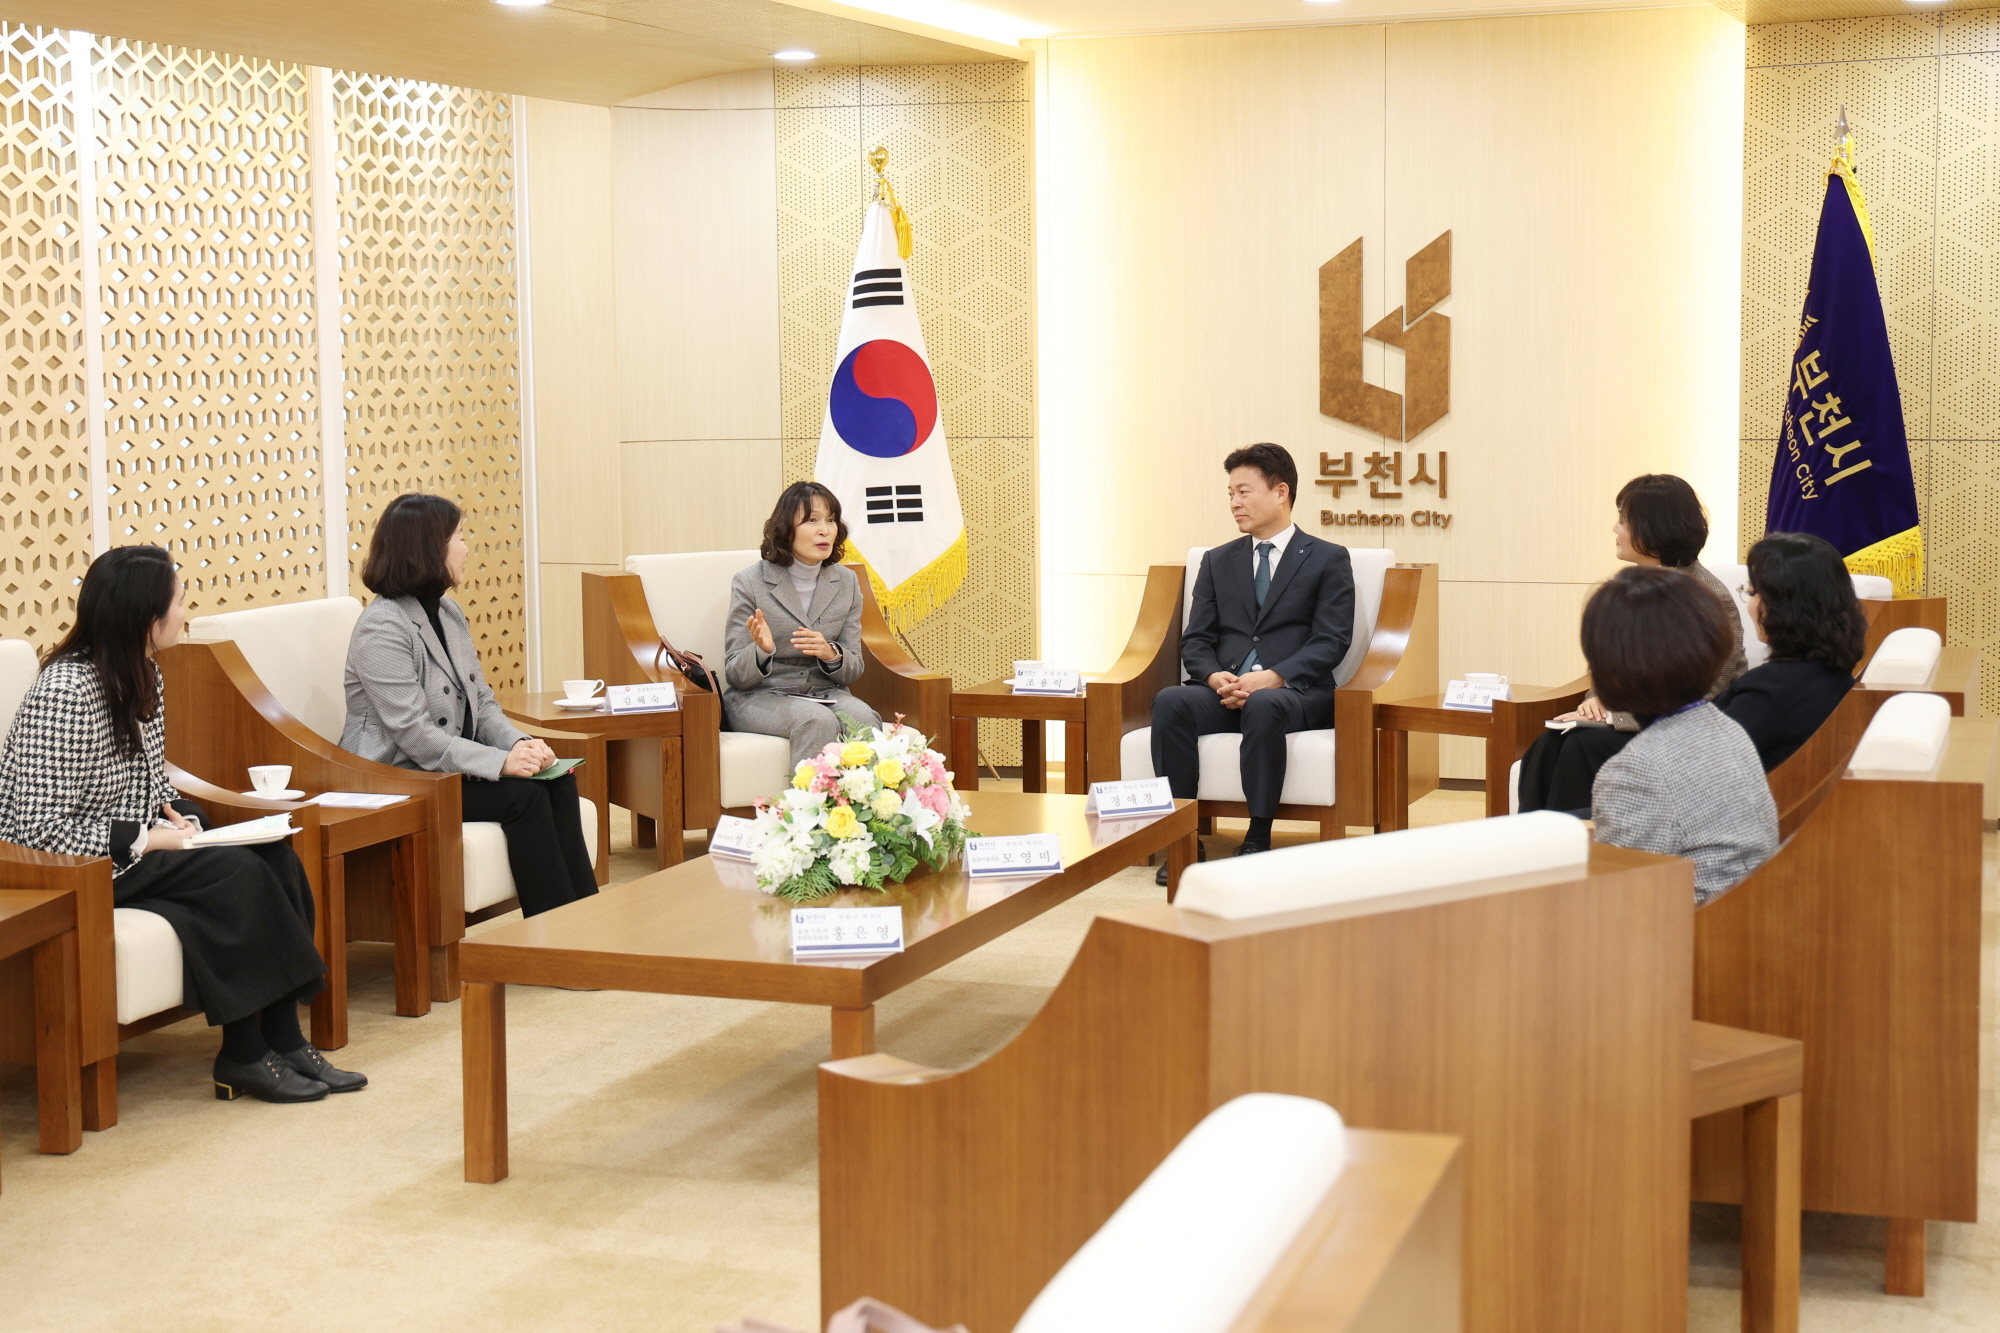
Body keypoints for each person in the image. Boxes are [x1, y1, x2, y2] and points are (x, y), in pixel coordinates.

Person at [0, 545, 362, 1104]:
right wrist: (147, 838)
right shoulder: (65, 691)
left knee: (275, 854)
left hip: (131, 848)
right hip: (76, 864)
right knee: (236, 876)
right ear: (146, 618)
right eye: (179, 602)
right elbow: (33, 828)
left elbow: (149, 781)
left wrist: (181, 814)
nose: (186, 613)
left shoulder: (143, 672)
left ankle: (282, 1039)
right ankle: (244, 1054)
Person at [342, 493, 596, 917]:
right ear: (429, 547)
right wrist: (500, 763)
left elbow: (482, 701)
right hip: (395, 774)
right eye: (458, 536)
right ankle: (553, 935)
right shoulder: (381, 627)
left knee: (558, 780)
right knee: (523, 797)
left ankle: (584, 921)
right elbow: (414, 734)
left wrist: (519, 745)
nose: (466, 547)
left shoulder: (449, 612)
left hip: (442, 768)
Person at [1149, 443, 1354, 885]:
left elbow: (1332, 640)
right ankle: (1183, 840)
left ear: (1281, 492)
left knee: (1264, 704)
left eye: (1244, 491)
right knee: (1171, 701)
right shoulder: (1218, 560)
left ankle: (1258, 834)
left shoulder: (1327, 557)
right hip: (1225, 689)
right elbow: (1196, 639)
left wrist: (1275, 677)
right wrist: (1212, 675)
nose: (1234, 503)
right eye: (1230, 494)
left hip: (1295, 692)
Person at [1518, 473, 1746, 812]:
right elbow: (1613, 667)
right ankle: (1536, 841)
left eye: (1623, 521)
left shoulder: (1708, 597)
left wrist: (1616, 716)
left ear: (1654, 527)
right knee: (1547, 744)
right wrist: (1596, 702)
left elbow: (1708, 691)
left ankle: (1581, 842)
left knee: (1582, 746)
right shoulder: (1635, 589)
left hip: (1684, 729)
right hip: (1636, 717)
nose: (1615, 529)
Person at [1586, 565, 1778, 905]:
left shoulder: (1634, 771)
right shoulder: (1726, 728)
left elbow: (1620, 903)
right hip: (1747, 916)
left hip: (1689, 931)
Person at [724, 481, 882, 763]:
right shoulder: (749, 582)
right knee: (816, 720)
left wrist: (831, 654)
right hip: (760, 695)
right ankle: (808, 795)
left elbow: (853, 669)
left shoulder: (846, 582)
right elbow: (735, 674)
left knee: (864, 719)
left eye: (831, 520)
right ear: (786, 528)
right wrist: (761, 651)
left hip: (825, 691)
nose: (825, 530)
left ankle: (862, 794)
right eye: (812, 520)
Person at [1712, 532, 1865, 771]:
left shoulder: (1770, 691)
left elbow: (1700, 764)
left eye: (1752, 592)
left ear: (1783, 607)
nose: (1750, 604)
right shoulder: (1832, 673)